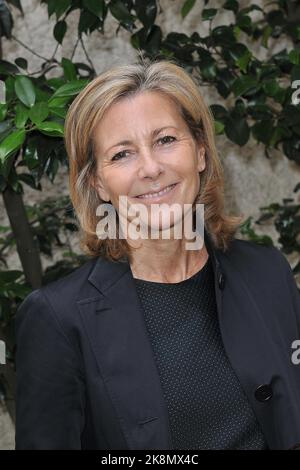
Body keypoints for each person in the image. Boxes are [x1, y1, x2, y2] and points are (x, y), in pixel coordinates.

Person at [15, 56, 300, 450]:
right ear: (97, 182)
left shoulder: (268, 272)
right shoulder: (58, 319)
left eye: (165, 140)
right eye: (122, 154)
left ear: (200, 151)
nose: (150, 168)